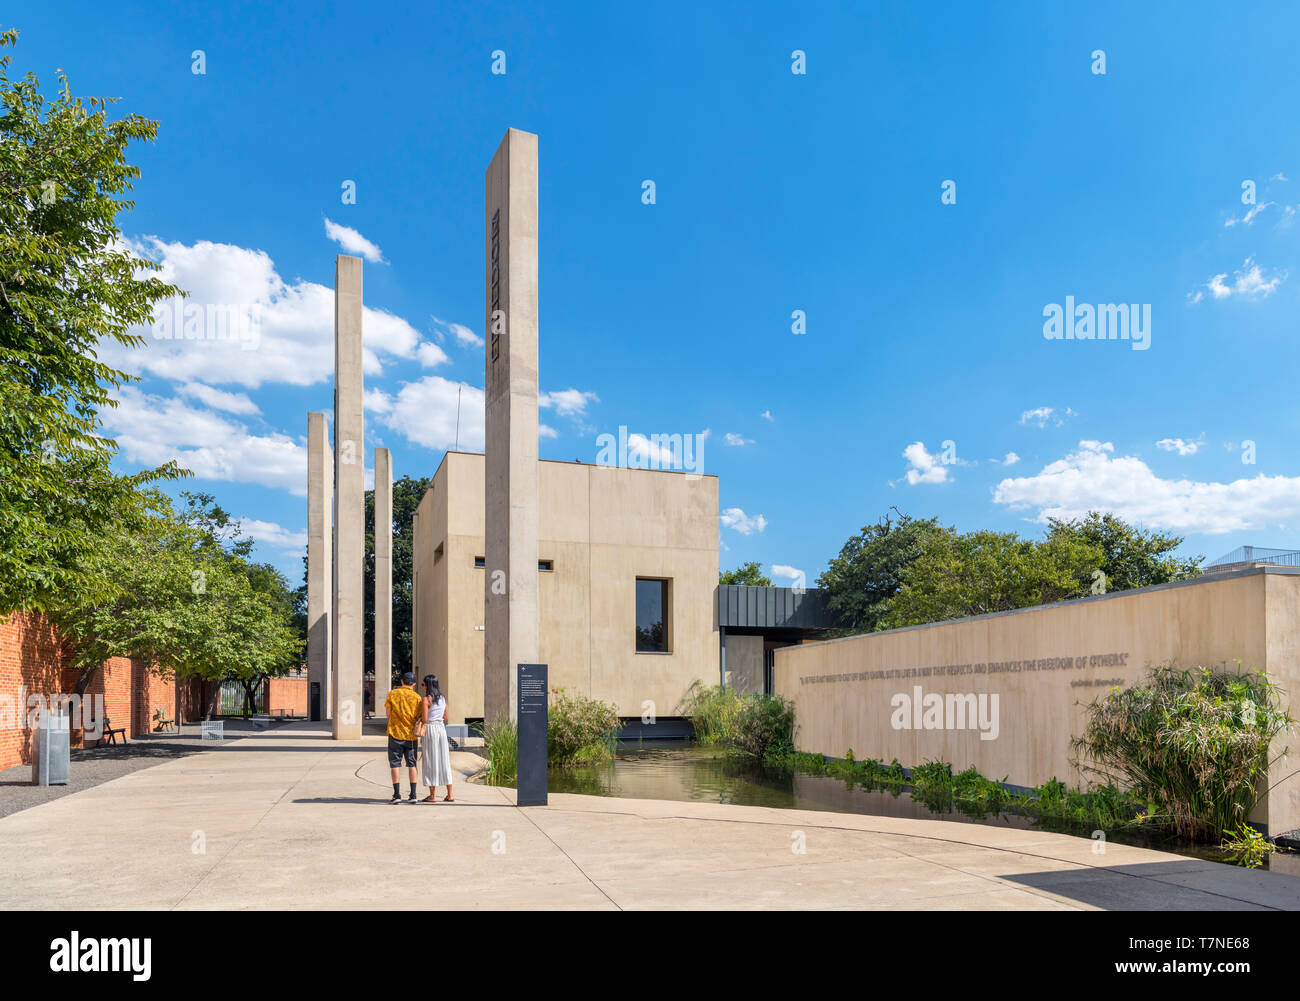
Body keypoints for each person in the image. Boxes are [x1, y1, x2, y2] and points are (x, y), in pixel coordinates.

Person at [384, 672, 423, 804]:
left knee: (395, 764)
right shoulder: (417, 698)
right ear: (414, 684)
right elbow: (419, 717)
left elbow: (388, 714)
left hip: (395, 733)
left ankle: (397, 794)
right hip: (411, 736)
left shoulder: (393, 694)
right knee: (412, 764)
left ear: (402, 682)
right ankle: (413, 795)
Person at [419, 674, 454, 803]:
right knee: (444, 760)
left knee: (430, 761)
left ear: (427, 685)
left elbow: (424, 719)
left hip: (431, 729)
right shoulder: (443, 699)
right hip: (441, 729)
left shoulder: (426, 699)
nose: (423, 687)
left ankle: (432, 796)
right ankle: (449, 794)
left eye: (423, 684)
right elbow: (446, 717)